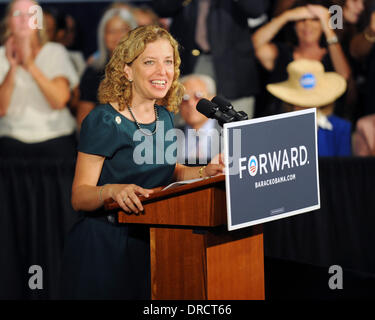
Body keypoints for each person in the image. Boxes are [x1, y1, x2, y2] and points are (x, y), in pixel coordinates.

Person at [61, 25, 224, 300]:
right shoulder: (103, 121)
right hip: (104, 247)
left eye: (168, 61)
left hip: (153, 243)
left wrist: (205, 171)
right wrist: (112, 190)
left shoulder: (165, 117)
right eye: (150, 62)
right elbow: (79, 195)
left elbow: (171, 172)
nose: (163, 71)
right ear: (127, 70)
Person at [153, 0, 269, 119]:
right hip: (189, 62)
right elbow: (161, 7)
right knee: (186, 124)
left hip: (233, 68)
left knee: (236, 129)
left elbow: (256, 8)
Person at [0, 0, 78, 158]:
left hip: (55, 137)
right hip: (11, 140)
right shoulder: (1, 56)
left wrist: (29, 64)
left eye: (30, 14)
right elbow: (1, 109)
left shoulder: (55, 52)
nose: (23, 20)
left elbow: (59, 100)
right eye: (17, 14)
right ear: (8, 21)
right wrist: (13, 67)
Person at [252, 0, 351, 116]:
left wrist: (328, 29)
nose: (307, 25)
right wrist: (286, 16)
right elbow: (255, 45)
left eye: (315, 20)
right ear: (294, 25)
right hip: (284, 122)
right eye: (302, 20)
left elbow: (344, 76)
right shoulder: (282, 53)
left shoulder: (333, 54)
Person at [267, 59, 352, 156]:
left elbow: (344, 167)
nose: (306, 106)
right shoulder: (277, 130)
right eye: (300, 102)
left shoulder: (340, 128)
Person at [77, 7, 137, 128]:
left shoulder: (147, 67)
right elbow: (84, 120)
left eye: (123, 30)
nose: (118, 36)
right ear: (103, 36)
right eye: (111, 31)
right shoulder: (93, 71)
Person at [176, 74, 221, 165]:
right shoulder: (168, 137)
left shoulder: (229, 132)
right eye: (184, 99)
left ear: (212, 99)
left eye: (198, 96)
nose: (190, 103)